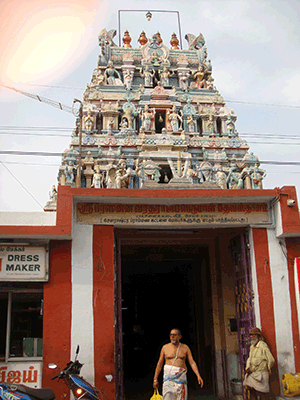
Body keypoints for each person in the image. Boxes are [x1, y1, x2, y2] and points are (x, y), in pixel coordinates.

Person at [153, 328, 203, 400]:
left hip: (181, 380)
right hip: (168, 381)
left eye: (175, 335)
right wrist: (155, 379)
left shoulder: (185, 348)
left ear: (180, 336)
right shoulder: (165, 348)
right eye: (171, 335)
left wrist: (198, 375)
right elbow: (159, 364)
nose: (172, 336)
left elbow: (192, 362)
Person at [243, 327, 275, 400]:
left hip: (262, 374)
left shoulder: (263, 345)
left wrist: (268, 369)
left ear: (258, 337)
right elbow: (249, 359)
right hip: (254, 374)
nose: (252, 338)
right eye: (251, 336)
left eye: (253, 336)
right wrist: (247, 367)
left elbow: (271, 360)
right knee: (250, 388)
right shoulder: (252, 347)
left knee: (263, 394)